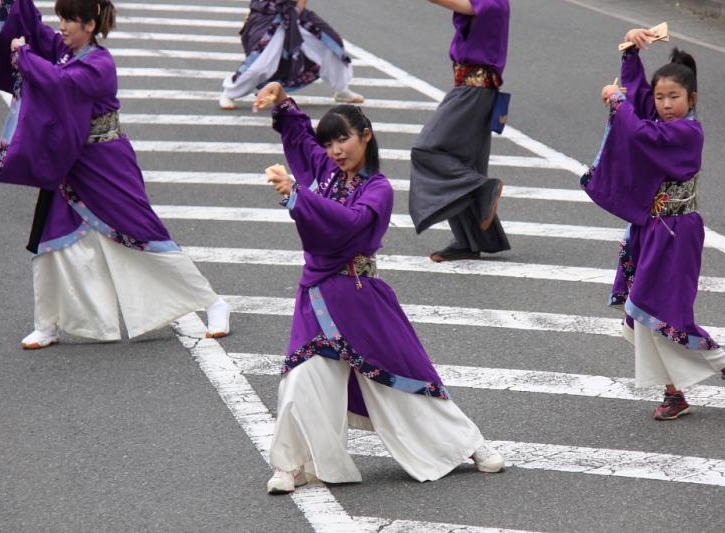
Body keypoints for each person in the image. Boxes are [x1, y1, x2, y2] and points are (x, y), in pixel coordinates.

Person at [252, 81, 505, 493]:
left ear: (365, 136)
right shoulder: (327, 172)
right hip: (318, 297)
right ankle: (289, 465)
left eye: (343, 139)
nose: (335, 150)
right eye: (330, 142)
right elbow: (300, 140)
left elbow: (348, 225)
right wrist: (283, 102)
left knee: (404, 382)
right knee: (300, 379)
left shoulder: (378, 189)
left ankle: (471, 445)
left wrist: (299, 196)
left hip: (359, 297)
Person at [0, 0, 230, 349]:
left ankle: (213, 302)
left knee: (143, 231)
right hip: (71, 163)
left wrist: (24, 57)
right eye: (61, 18)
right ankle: (48, 323)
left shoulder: (100, 64)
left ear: (90, 25)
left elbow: (60, 84)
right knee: (50, 241)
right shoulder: (63, 50)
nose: (62, 26)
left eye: (69, 19)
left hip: (106, 164)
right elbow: (36, 31)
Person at [581, 28, 725, 420]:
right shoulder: (661, 118)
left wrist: (619, 102)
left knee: (664, 311)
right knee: (645, 313)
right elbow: (638, 99)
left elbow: (638, 129)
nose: (665, 104)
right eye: (660, 97)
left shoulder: (687, 132)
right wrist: (629, 52)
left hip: (678, 231)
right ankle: (674, 392)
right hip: (651, 227)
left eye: (674, 97)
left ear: (692, 99)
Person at [409, 0, 510, 262]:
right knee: (464, 163)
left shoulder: (492, 3)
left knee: (427, 149)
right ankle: (471, 240)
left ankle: (481, 188)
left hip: (473, 91)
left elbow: (468, 6)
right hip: (477, 91)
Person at [218, 0, 362, 110]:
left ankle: (341, 88)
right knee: (260, 65)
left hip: (293, 13)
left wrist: (297, 11)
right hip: (267, 15)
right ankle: (229, 92)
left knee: (331, 44)